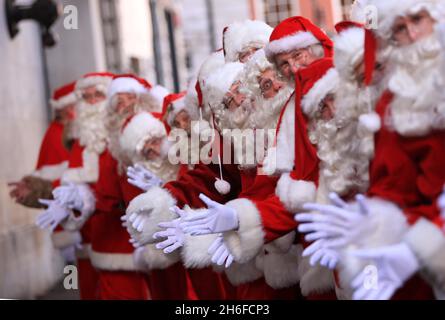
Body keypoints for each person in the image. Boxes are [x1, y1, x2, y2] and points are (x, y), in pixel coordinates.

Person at [297, 0, 445, 300]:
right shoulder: (393, 106)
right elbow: (395, 190)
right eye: (400, 29)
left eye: (418, 20)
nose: (413, 35)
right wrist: (374, 227)